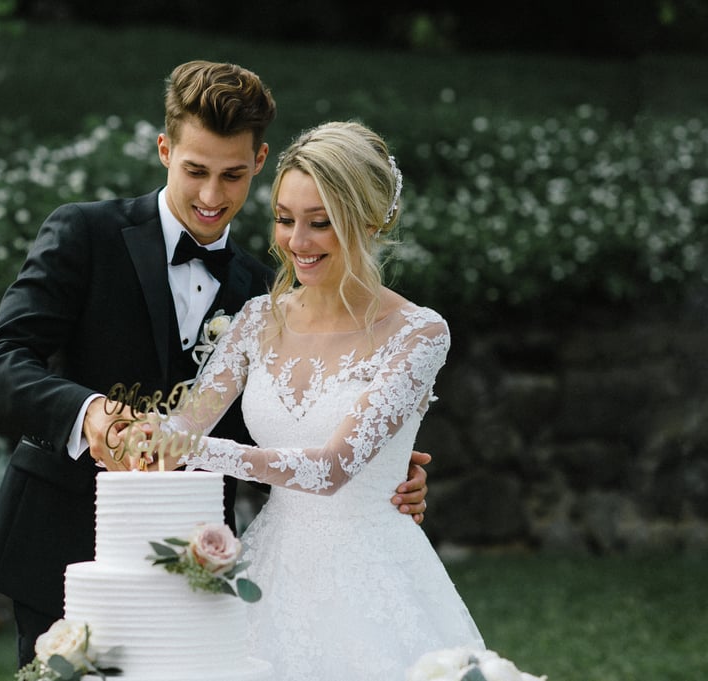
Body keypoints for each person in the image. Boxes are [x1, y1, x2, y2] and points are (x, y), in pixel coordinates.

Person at [0, 62, 431, 669]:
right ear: (165, 150)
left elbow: (279, 434)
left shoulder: (268, 297)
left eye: (233, 175)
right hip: (65, 542)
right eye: (196, 172)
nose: (212, 197)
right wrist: (91, 415)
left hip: (206, 561)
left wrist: (381, 472)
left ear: (260, 161)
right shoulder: (86, 233)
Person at [129, 120, 485, 679]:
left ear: (371, 222)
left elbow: (332, 468)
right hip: (268, 565)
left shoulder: (419, 334)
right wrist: (145, 434)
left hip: (373, 579)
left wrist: (195, 447)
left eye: (320, 224)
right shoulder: (255, 320)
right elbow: (185, 422)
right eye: (284, 219)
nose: (296, 242)